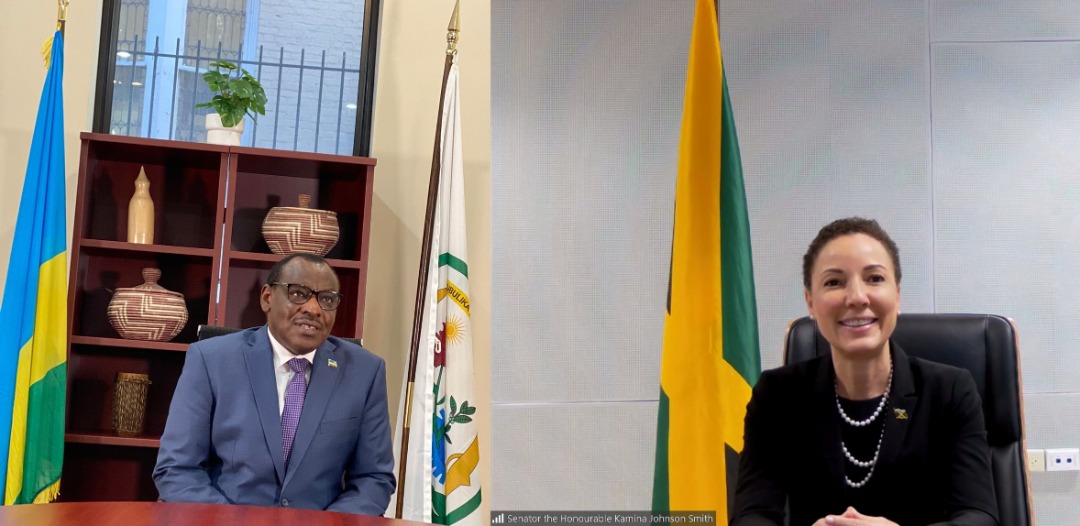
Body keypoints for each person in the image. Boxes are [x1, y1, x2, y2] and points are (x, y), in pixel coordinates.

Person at [731, 217, 998, 526]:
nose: (857, 297)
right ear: (810, 302)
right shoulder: (778, 396)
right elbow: (751, 516)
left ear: (897, 295)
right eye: (834, 282)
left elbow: (980, 518)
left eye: (874, 278)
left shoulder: (950, 391)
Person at [154, 252, 396, 515]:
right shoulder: (211, 360)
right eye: (298, 293)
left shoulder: (364, 372)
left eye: (327, 299)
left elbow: (373, 479)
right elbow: (177, 468)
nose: (313, 309)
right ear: (267, 298)